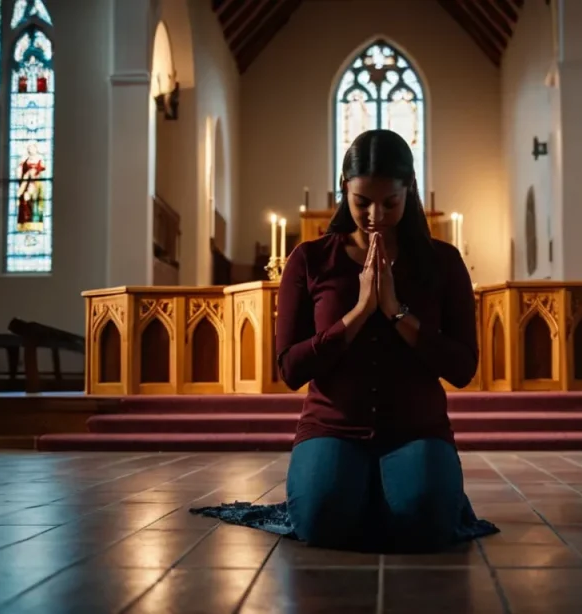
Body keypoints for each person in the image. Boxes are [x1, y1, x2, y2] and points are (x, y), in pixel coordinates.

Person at [191, 129, 498, 552]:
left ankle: (401, 488)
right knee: (320, 522)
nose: (376, 215)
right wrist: (357, 314)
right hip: (332, 426)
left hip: (416, 428)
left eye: (389, 202)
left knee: (427, 524)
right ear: (343, 189)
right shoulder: (310, 259)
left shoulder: (442, 261)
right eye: (361, 202)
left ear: (409, 190)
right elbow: (290, 369)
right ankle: (368, 489)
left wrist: (395, 311)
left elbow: (463, 369)